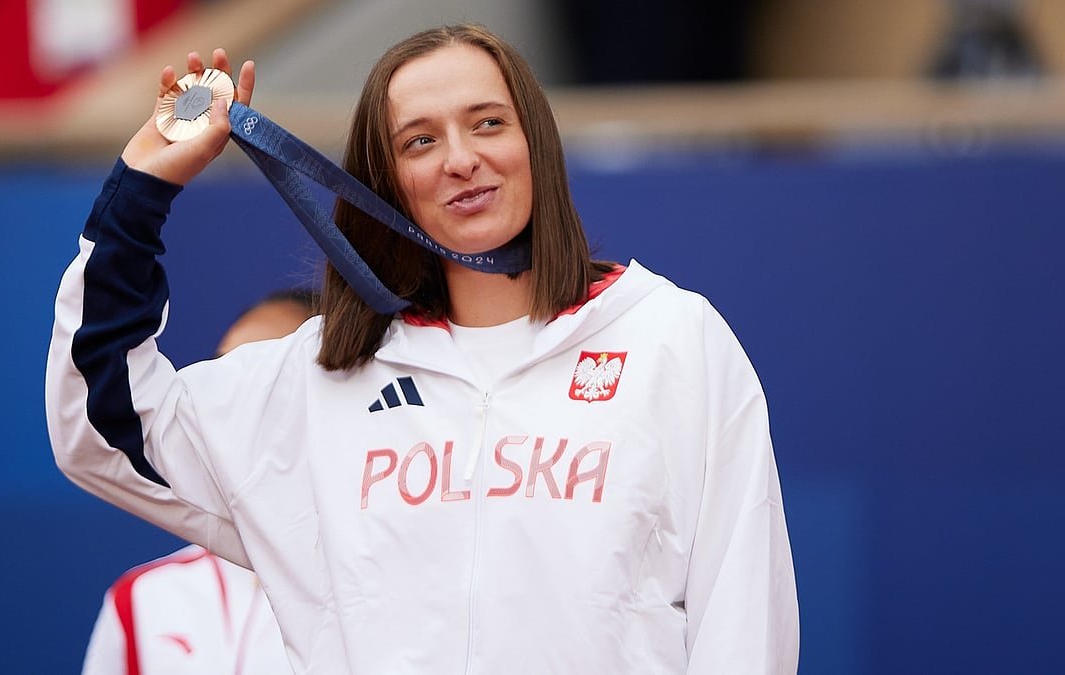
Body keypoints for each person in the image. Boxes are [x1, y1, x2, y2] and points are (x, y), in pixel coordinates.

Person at [46, 24, 799, 674]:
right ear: (387, 183)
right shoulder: (318, 383)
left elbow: (743, 620)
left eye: (488, 123)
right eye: (421, 141)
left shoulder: (671, 339)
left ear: (536, 142)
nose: (460, 159)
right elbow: (103, 424)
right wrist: (140, 190)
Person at [80, 290, 317, 674]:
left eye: (266, 378)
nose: (232, 402)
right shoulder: (142, 600)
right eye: (221, 372)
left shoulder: (382, 594)